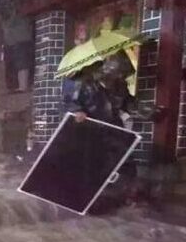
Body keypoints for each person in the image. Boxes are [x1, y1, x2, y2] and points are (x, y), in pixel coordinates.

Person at [65, 51, 161, 206]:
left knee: (125, 159)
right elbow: (71, 102)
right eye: (119, 73)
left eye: (123, 75)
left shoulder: (120, 86)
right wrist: (78, 111)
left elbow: (128, 103)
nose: (120, 77)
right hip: (91, 128)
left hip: (113, 127)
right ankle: (88, 196)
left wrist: (148, 111)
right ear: (108, 71)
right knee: (92, 163)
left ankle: (129, 194)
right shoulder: (85, 82)